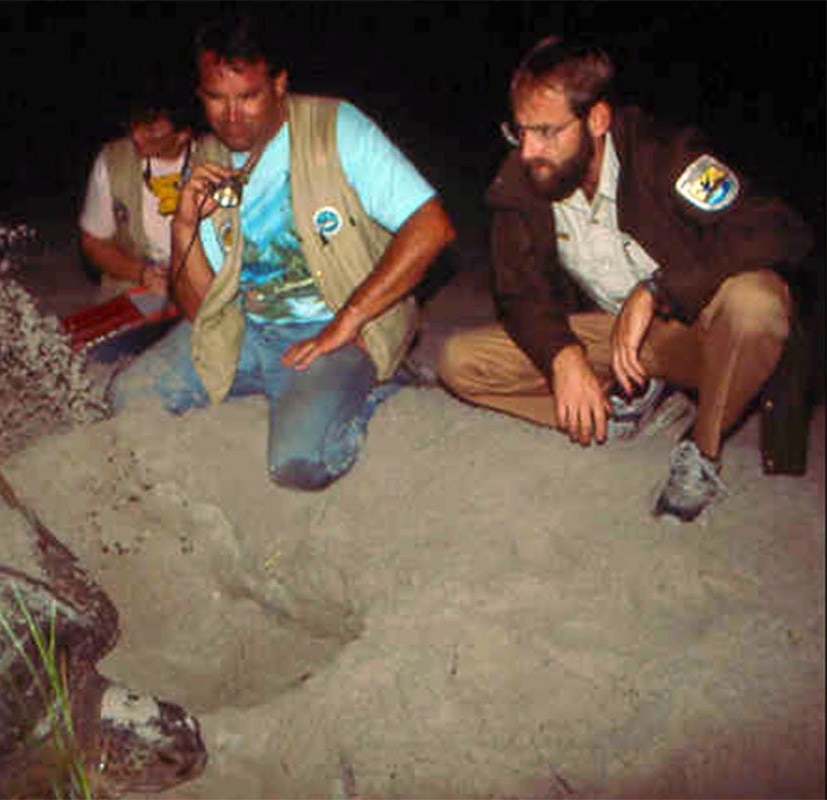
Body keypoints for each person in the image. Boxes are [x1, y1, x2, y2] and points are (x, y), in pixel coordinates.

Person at [437, 35, 812, 522]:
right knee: (459, 362)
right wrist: (563, 356)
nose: (529, 150)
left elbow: (779, 227)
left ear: (596, 120)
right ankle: (628, 408)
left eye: (547, 131)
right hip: (614, 341)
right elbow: (518, 291)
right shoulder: (524, 180)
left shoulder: (664, 155)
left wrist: (658, 290)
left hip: (698, 336)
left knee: (756, 302)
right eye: (520, 130)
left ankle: (701, 450)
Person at [111, 11, 456, 491]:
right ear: (199, 95)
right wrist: (183, 224)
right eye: (216, 98)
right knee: (129, 396)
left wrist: (349, 319)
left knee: (297, 464)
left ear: (278, 84)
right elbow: (200, 309)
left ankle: (386, 390)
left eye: (248, 97)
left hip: (334, 330)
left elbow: (432, 227)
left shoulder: (335, 127)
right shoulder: (208, 158)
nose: (233, 115)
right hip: (248, 330)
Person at [79, 101, 194, 302]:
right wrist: (141, 274)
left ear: (183, 135)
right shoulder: (114, 160)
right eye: (135, 124)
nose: (137, 136)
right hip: (136, 284)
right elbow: (93, 242)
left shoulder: (216, 156)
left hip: (204, 286)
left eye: (151, 130)